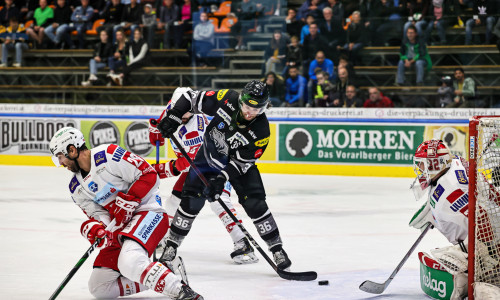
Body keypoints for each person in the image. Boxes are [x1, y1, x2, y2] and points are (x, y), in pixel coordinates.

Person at [48, 126, 203, 300]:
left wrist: (130, 199)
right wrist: (98, 229)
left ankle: (180, 290)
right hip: (120, 227)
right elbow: (97, 216)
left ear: (72, 149)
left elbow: (149, 175)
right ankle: (166, 270)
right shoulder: (75, 187)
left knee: (129, 262)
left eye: (60, 157)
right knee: (99, 287)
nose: (61, 163)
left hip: (148, 212)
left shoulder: (108, 154)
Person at [156, 80, 293, 271]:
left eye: (257, 110)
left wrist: (221, 179)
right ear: (241, 100)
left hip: (236, 165)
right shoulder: (227, 99)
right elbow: (191, 98)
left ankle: (277, 249)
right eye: (247, 106)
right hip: (208, 158)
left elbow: (242, 163)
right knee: (190, 200)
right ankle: (171, 246)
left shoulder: (262, 130)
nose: (249, 113)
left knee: (255, 202)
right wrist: (174, 116)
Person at [148, 88, 258, 264]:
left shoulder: (201, 122)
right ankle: (164, 236)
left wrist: (169, 167)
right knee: (174, 201)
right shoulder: (174, 109)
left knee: (218, 201)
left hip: (216, 164)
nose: (182, 117)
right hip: (193, 168)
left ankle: (243, 242)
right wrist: (155, 130)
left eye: (186, 113)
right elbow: (160, 122)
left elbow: (190, 160)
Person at [408, 139, 500, 299]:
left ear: (435, 164)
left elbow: (482, 219)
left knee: (448, 257)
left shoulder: (449, 195)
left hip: (492, 245)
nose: (419, 170)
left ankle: (482, 273)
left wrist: (485, 252)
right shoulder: (454, 163)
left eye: (422, 165)